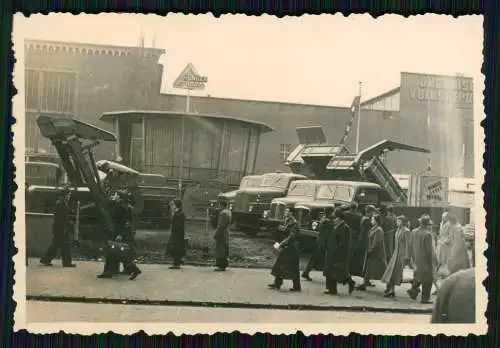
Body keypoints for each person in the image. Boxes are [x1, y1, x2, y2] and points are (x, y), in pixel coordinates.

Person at [40, 187, 76, 268]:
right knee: (65, 245)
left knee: (55, 245)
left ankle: (45, 259)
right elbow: (60, 218)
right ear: (65, 195)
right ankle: (66, 263)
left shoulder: (62, 203)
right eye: (69, 195)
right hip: (61, 228)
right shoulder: (60, 204)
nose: (69, 196)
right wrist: (65, 226)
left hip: (61, 228)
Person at [323, 208, 355, 295]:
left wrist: (336, 251)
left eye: (335, 218)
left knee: (338, 272)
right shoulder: (336, 226)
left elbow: (343, 242)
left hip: (339, 253)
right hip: (332, 251)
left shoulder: (344, 228)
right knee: (331, 271)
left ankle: (350, 282)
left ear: (340, 218)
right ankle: (332, 289)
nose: (333, 220)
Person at [268, 208, 301, 292]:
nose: (285, 212)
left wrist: (282, 243)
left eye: (287, 211)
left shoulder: (294, 223)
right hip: (287, 246)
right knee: (280, 263)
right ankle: (277, 283)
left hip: (291, 247)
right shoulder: (287, 221)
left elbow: (291, 236)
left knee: (292, 267)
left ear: (291, 213)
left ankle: (296, 286)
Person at [407, 214, 436, 304]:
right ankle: (424, 298)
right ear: (427, 224)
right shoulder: (427, 234)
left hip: (416, 258)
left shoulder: (414, 231)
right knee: (428, 279)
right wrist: (433, 261)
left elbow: (410, 245)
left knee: (419, 276)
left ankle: (413, 290)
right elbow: (429, 251)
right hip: (425, 260)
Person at [381, 215, 412, 298]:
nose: (397, 222)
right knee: (390, 271)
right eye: (397, 221)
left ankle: (391, 290)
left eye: (399, 221)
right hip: (395, 253)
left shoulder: (406, 231)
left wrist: (407, 257)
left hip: (401, 255)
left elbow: (408, 245)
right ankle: (390, 289)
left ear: (403, 222)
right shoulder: (397, 230)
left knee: (395, 273)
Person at [301, 207, 334, 281]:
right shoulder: (327, 221)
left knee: (315, 259)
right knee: (317, 258)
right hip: (323, 242)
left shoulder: (324, 219)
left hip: (321, 241)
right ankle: (306, 273)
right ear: (330, 212)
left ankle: (305, 273)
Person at [357, 213, 387, 291]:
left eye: (373, 219)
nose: (371, 220)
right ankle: (365, 282)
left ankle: (390, 285)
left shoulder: (378, 230)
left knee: (382, 269)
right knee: (368, 268)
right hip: (372, 251)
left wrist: (371, 250)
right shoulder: (374, 228)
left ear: (376, 221)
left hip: (376, 253)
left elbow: (376, 243)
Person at [350, 205, 375, 279]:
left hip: (361, 240)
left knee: (358, 259)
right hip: (364, 241)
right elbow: (365, 232)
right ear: (371, 212)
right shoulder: (367, 220)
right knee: (362, 260)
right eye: (373, 212)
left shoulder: (363, 218)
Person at [166, 199, 186, 269]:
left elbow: (177, 224)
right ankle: (177, 261)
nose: (172, 206)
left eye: (173, 204)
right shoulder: (177, 212)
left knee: (176, 248)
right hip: (175, 233)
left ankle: (177, 263)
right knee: (174, 247)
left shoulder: (180, 213)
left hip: (178, 234)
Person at [214, 200, 231, 271]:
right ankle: (224, 264)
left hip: (222, 233)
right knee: (225, 248)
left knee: (220, 250)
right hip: (226, 232)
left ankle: (221, 265)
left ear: (221, 205)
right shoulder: (229, 212)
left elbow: (221, 225)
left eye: (219, 205)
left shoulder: (223, 213)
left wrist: (216, 234)